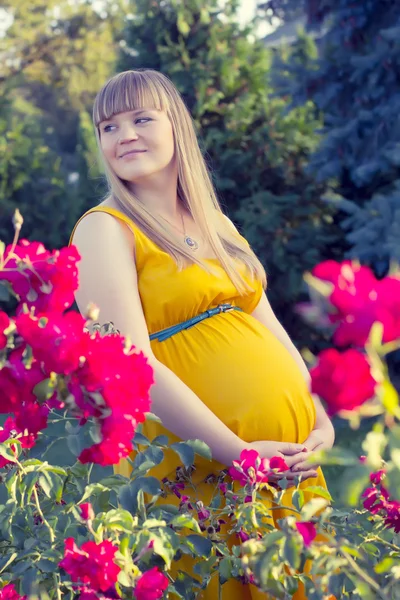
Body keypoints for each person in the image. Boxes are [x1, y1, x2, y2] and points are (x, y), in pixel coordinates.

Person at [69, 69, 335, 599]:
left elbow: (270, 327)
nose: (124, 136)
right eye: (108, 126)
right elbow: (131, 363)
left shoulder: (215, 222)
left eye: (142, 118)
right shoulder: (104, 227)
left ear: (177, 127)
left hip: (288, 462)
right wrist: (238, 453)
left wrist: (321, 418)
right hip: (207, 469)